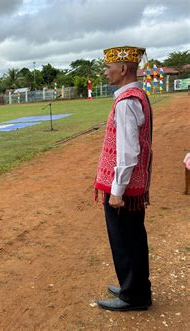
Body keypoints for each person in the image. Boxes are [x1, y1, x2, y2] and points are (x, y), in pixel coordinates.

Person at [95, 46, 153, 311]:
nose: (106, 73)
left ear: (123, 69)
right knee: (133, 238)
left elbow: (128, 151)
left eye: (109, 68)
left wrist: (116, 190)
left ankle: (134, 295)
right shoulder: (136, 95)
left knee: (125, 240)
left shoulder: (127, 101)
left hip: (125, 189)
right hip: (134, 186)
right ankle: (135, 286)